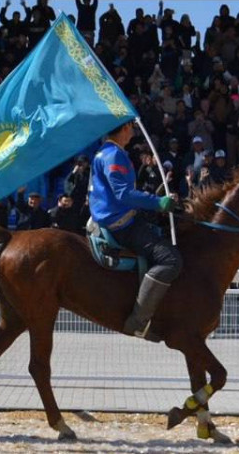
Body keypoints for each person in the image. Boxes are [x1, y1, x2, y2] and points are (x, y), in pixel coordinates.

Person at [89, 119, 179, 340]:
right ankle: (138, 321)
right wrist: (158, 202)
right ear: (126, 128)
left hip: (113, 218)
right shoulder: (114, 155)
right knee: (171, 260)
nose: (133, 132)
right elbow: (124, 194)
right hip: (122, 224)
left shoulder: (103, 152)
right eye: (132, 128)